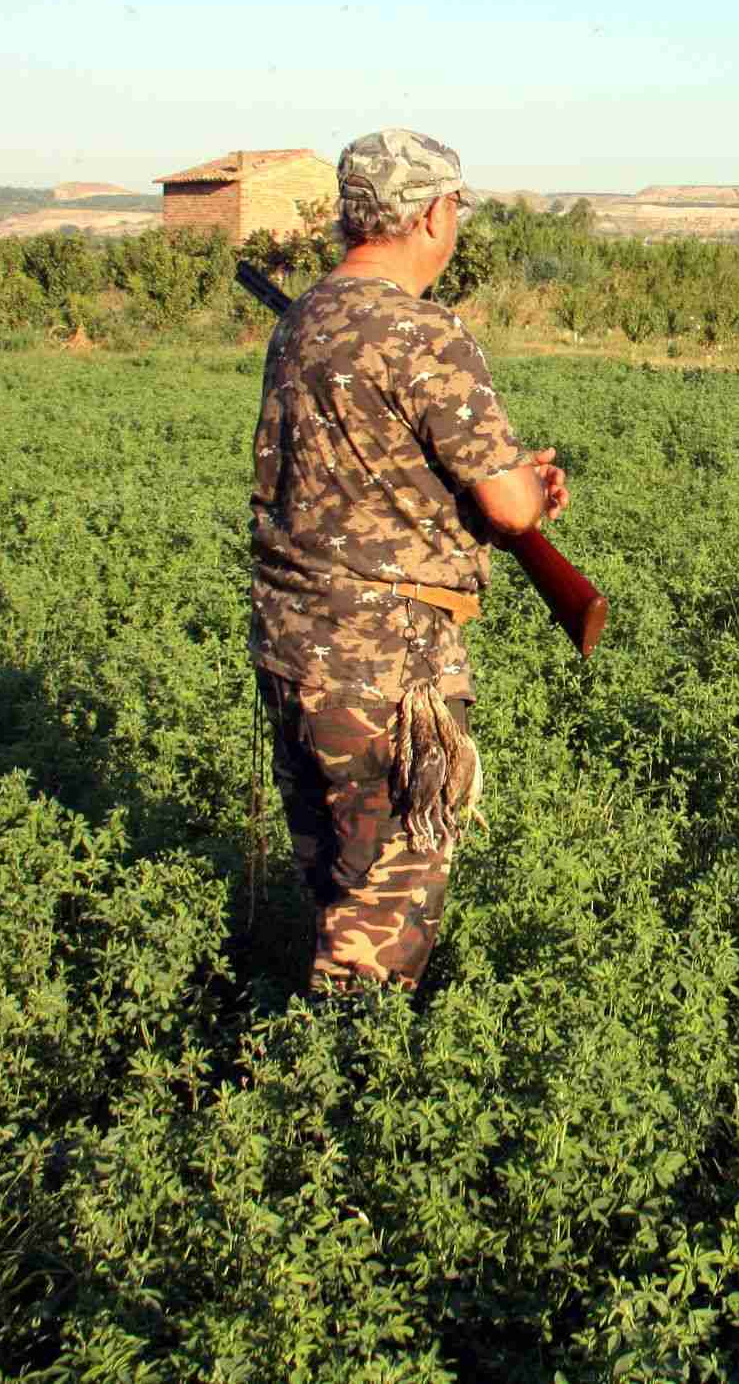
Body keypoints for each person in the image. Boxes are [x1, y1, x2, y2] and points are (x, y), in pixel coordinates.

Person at [250, 127, 570, 999]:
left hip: (292, 649)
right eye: (456, 206)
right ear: (432, 211)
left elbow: (371, 467)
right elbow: (507, 509)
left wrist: (507, 481)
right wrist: (529, 491)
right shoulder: (421, 332)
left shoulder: (308, 317)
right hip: (386, 666)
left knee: (338, 885)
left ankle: (302, 1068)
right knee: (382, 919)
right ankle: (338, 1096)